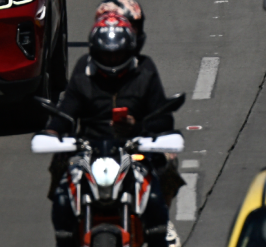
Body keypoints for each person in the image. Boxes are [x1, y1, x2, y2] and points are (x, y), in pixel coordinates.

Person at [42, 18, 176, 247]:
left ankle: (162, 232)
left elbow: (163, 118)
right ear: (95, 52)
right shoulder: (83, 71)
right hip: (90, 150)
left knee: (162, 178)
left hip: (135, 148)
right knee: (63, 192)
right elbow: (67, 110)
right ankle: (65, 239)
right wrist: (53, 132)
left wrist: (137, 126)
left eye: (118, 54)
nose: (112, 60)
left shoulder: (145, 70)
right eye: (106, 55)